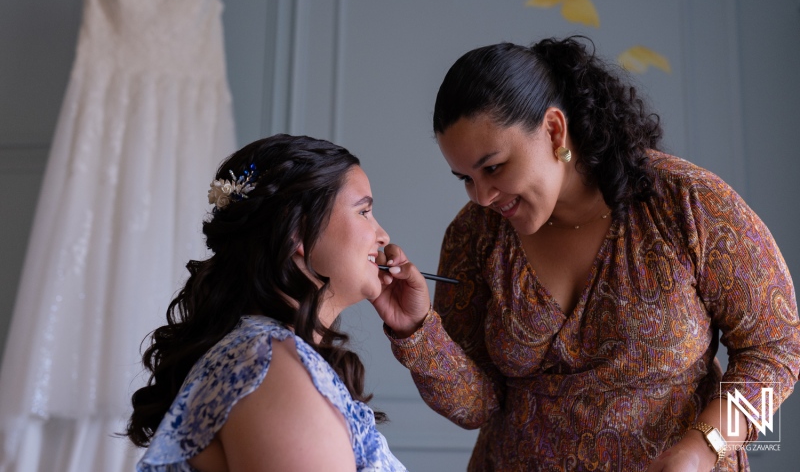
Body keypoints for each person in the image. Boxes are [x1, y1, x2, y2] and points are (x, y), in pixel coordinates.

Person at [384, 36, 800, 471]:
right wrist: (415, 329)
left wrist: (704, 446)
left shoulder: (687, 203)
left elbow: (777, 350)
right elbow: (476, 407)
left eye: (493, 168)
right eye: (465, 178)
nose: (483, 196)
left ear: (554, 130)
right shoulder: (475, 235)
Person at [125, 134, 430, 472]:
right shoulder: (270, 368)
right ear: (296, 232)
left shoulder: (263, 356)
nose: (383, 235)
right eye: (364, 211)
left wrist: (413, 328)